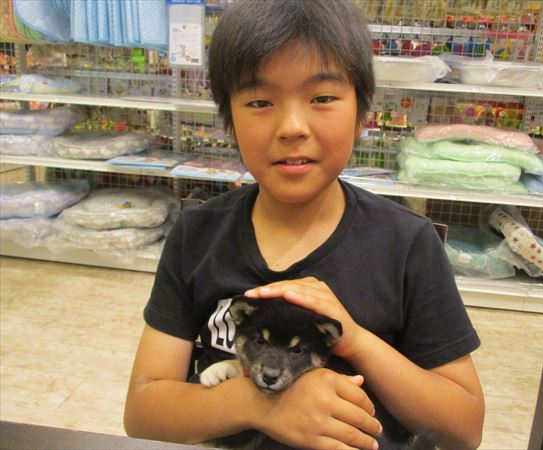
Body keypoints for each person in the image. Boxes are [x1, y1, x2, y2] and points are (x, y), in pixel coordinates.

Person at [124, 1, 485, 449]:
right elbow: (143, 413)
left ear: (362, 115)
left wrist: (355, 341)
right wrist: (257, 404)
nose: (292, 127)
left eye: (322, 98)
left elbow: (464, 428)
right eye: (260, 102)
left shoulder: (407, 243)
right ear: (229, 123)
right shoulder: (197, 235)